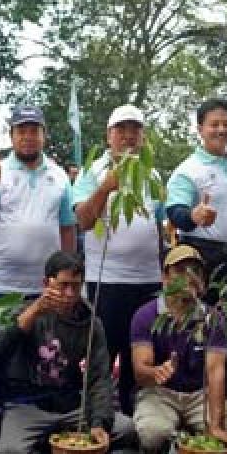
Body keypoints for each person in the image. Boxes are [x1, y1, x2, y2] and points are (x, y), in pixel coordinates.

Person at [0, 251, 134, 454]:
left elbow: (100, 378)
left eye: (75, 287)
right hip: (28, 405)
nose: (69, 294)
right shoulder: (24, 310)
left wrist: (99, 423)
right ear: (46, 283)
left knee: (126, 428)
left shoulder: (91, 323)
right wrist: (32, 315)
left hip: (71, 406)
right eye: (63, 285)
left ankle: (65, 449)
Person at [130, 245, 227, 454]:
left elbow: (216, 371)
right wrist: (155, 372)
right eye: (180, 270)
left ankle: (201, 449)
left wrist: (216, 424)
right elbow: (140, 370)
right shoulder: (146, 315)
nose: (188, 276)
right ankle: (154, 452)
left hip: (200, 395)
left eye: (195, 271)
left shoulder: (212, 318)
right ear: (165, 277)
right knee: (152, 432)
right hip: (161, 393)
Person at [72, 104, 165, 415]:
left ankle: (131, 418)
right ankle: (97, 420)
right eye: (121, 130)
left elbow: (161, 226)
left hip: (148, 279)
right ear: (108, 135)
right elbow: (83, 221)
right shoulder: (92, 171)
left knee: (140, 352)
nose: (128, 136)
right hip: (107, 279)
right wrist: (105, 187)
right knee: (102, 353)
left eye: (135, 130)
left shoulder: (151, 173)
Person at [165, 98, 227, 398]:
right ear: (200, 129)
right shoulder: (187, 170)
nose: (220, 129)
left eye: (226, 123)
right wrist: (193, 216)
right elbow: (174, 212)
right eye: (213, 124)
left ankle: (226, 398)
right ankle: (193, 398)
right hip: (201, 258)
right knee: (197, 329)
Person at [0, 106, 75, 301]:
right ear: (11, 136)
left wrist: (67, 277)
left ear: (44, 135)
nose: (28, 136)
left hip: (46, 286)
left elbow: (67, 228)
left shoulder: (59, 176)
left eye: (34, 131)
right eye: (21, 131)